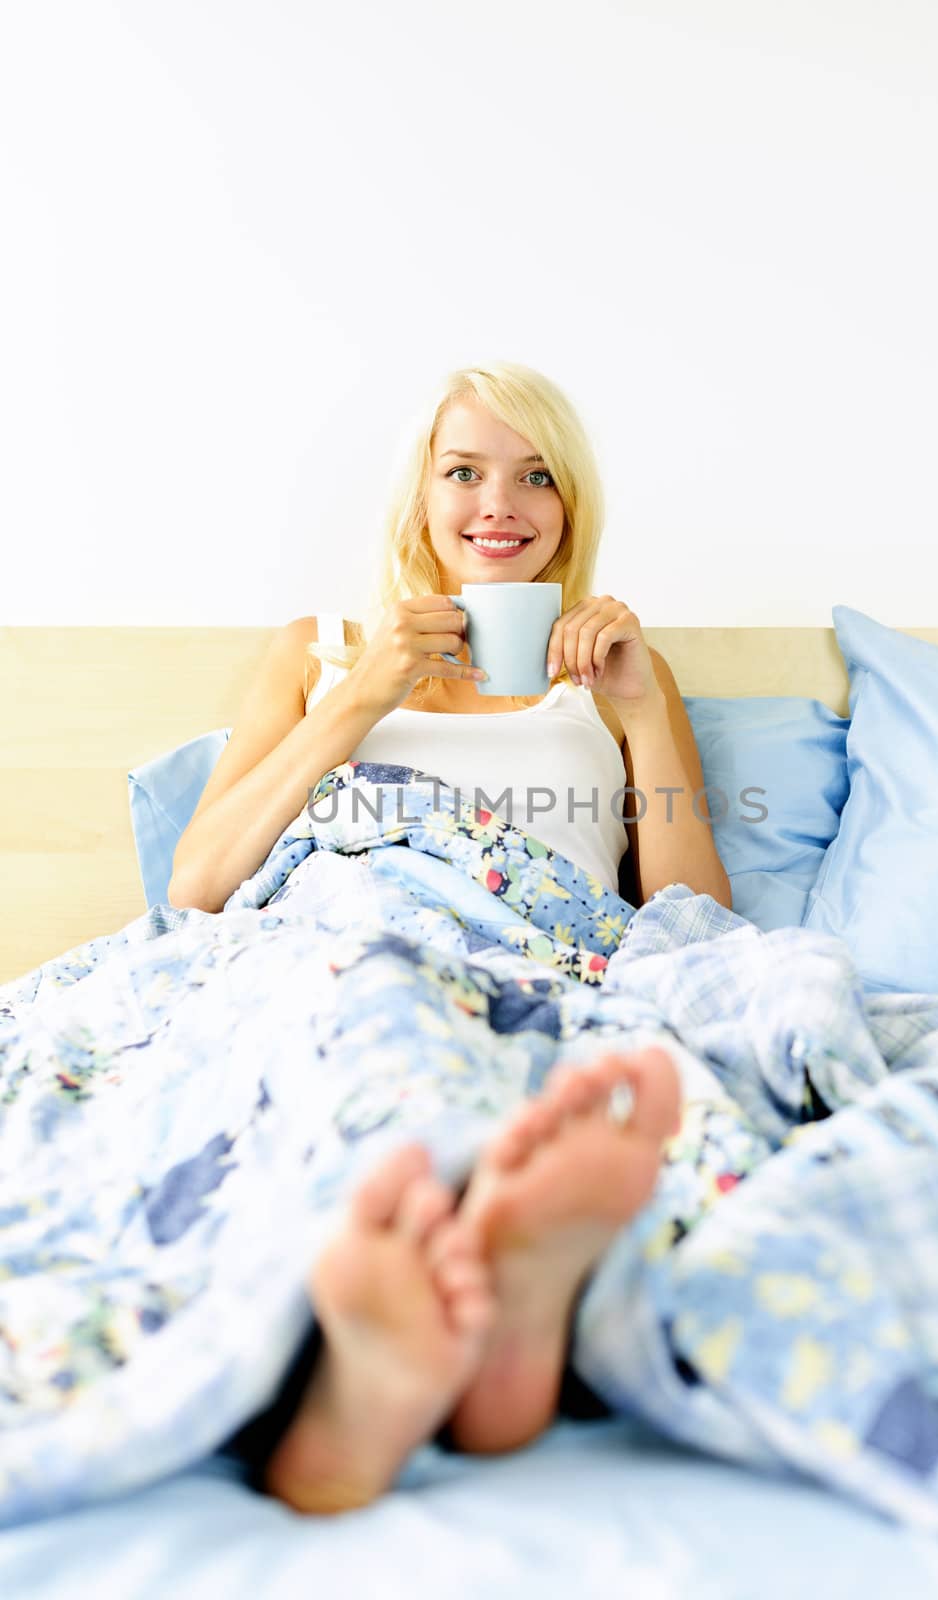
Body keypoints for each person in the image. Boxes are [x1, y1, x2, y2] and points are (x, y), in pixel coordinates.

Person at [168, 361, 732, 1513]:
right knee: (360, 998)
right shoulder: (317, 653)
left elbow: (698, 927)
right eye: (464, 470)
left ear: (569, 507)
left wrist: (635, 711)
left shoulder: (617, 673)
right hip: (335, 940)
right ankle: (441, 1315)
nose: (498, 504)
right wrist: (360, 697)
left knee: (501, 1035)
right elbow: (198, 884)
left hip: (531, 957)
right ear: (418, 497)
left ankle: (437, 1316)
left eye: (535, 477)